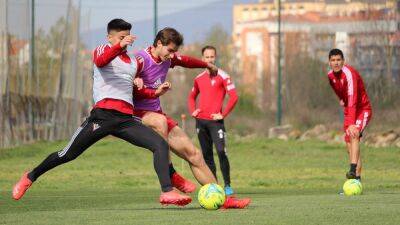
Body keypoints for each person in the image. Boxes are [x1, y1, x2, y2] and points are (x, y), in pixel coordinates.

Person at [12, 19, 191, 206]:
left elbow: (134, 90)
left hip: (125, 120)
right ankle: (30, 177)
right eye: (121, 37)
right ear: (110, 37)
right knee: (67, 155)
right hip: (102, 116)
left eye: (127, 37)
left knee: (160, 144)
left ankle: (167, 192)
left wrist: (151, 91)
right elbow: (100, 61)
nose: (125, 41)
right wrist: (119, 46)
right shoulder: (102, 50)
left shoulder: (132, 61)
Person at [132, 28, 250, 208]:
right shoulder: (139, 59)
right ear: (158, 44)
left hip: (156, 113)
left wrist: (207, 65)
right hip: (136, 115)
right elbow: (122, 76)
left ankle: (223, 199)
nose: (172, 55)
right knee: (160, 121)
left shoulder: (168, 58)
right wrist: (133, 80)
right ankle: (170, 174)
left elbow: (186, 61)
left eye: (174, 51)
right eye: (170, 50)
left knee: (194, 154)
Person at [187, 45, 238, 196]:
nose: (209, 59)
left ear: (215, 58)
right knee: (207, 155)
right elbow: (191, 97)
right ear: (202, 59)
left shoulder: (224, 76)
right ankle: (216, 187)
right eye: (207, 57)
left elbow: (234, 97)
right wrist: (193, 110)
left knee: (221, 152)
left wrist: (223, 114)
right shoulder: (198, 78)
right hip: (201, 122)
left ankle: (227, 185)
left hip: (216, 123)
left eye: (212, 57)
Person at [327, 48, 372, 181]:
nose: (336, 63)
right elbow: (340, 93)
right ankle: (355, 183)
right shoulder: (330, 76)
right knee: (350, 146)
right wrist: (342, 100)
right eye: (333, 60)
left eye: (338, 60)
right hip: (350, 111)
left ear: (343, 61)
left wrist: (352, 123)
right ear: (329, 62)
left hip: (362, 110)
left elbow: (352, 98)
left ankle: (352, 170)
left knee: (354, 134)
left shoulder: (349, 74)